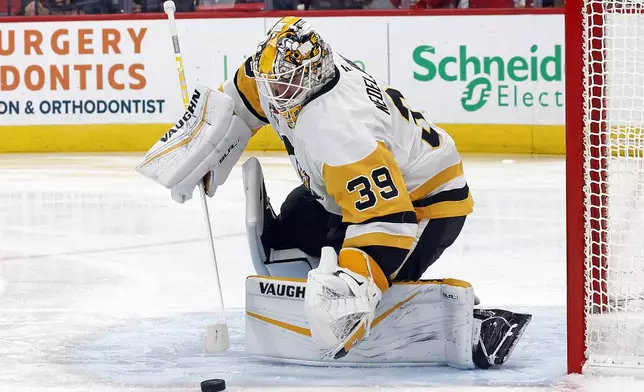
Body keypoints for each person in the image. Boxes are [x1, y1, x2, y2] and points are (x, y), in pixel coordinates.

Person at [137, 17, 528, 364]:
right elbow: (240, 99)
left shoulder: (339, 130)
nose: (274, 93)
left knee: (366, 282)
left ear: (312, 79)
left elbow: (389, 219)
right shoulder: (293, 69)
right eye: (270, 80)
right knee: (291, 224)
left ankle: (464, 321)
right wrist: (202, 142)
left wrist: (351, 291)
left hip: (425, 205)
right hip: (368, 191)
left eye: (284, 85)